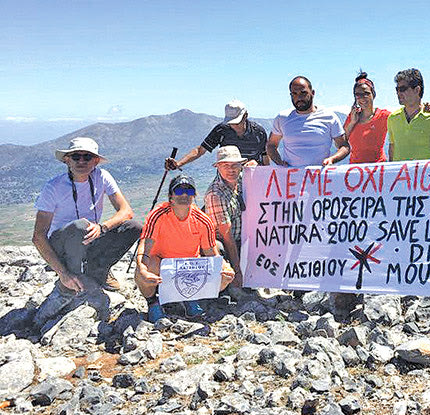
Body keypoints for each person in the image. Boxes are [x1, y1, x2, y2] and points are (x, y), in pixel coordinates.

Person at [32, 137, 141, 329]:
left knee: (134, 227)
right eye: (76, 156)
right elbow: (39, 236)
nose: (81, 161)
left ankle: (99, 270)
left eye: (87, 157)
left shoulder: (102, 177)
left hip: (88, 236)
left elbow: (126, 211)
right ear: (67, 160)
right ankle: (68, 284)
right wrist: (62, 272)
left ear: (96, 161)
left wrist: (103, 227)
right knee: (81, 226)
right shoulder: (53, 187)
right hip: (62, 245)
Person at [134, 175, 235, 323]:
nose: (184, 195)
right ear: (170, 195)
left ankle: (189, 298)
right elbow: (145, 245)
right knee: (143, 268)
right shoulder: (157, 215)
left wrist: (225, 269)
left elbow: (212, 253)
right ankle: (153, 303)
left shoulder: (202, 220)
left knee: (222, 274)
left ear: (194, 195)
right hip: (162, 265)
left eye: (189, 191)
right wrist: (141, 269)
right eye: (179, 190)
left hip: (187, 267)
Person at [345, 71, 430, 164]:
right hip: (355, 171)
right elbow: (340, 143)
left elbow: (406, 114)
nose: (362, 97)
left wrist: (423, 107)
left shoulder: (384, 116)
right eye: (358, 94)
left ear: (373, 94)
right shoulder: (352, 116)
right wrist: (352, 123)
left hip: (377, 170)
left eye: (366, 93)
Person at [266, 76, 349, 167]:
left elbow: (344, 146)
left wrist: (332, 159)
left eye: (303, 93)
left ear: (312, 93)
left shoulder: (329, 117)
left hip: (320, 178)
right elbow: (271, 146)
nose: (299, 97)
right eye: (294, 93)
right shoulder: (282, 118)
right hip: (291, 178)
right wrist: (280, 163)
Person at [165, 100, 268, 170]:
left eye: (236, 122)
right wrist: (178, 163)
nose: (233, 126)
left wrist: (261, 169)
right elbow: (200, 150)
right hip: (227, 177)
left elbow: (265, 156)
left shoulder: (259, 133)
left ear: (246, 116)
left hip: (252, 177)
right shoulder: (221, 130)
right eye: (231, 123)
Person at [204, 146, 245, 291]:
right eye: (225, 165)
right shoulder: (215, 195)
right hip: (226, 243)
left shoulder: (242, 180)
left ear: (241, 166)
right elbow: (227, 237)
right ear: (218, 167)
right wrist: (238, 271)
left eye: (235, 165)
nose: (231, 169)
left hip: (242, 239)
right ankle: (223, 283)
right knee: (219, 247)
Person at [387, 68, 430, 161]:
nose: (398, 93)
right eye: (397, 89)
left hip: (425, 175)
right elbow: (392, 149)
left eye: (402, 89)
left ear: (417, 90)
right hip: (400, 175)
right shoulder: (392, 118)